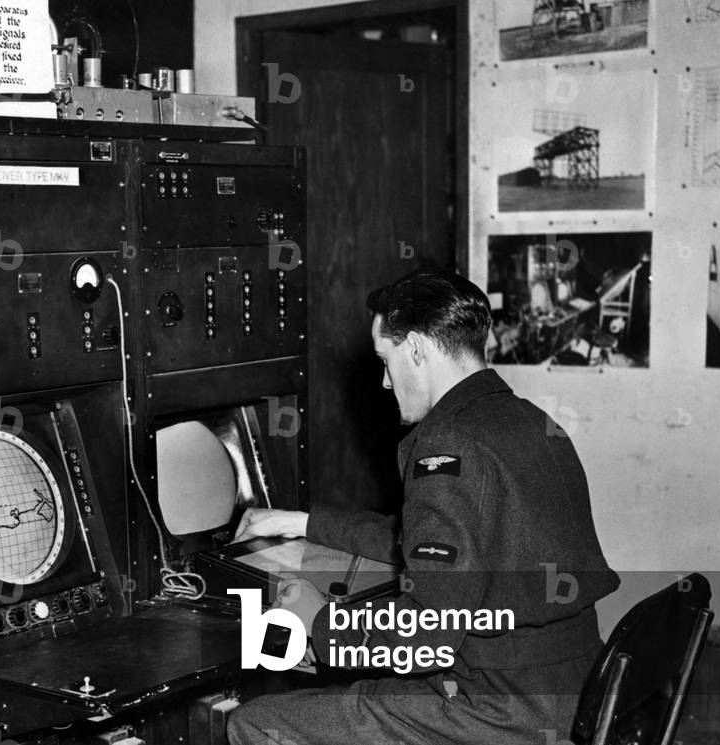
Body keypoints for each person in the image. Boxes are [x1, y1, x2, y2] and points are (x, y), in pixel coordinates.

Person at [228, 268, 619, 745]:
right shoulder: (530, 422)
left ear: (415, 349)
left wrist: (318, 623)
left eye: (385, 361)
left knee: (254, 722)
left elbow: (425, 637)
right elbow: (441, 539)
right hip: (578, 691)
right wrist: (305, 522)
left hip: (499, 712)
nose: (387, 383)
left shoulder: (447, 445)